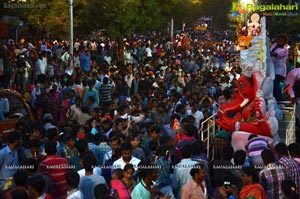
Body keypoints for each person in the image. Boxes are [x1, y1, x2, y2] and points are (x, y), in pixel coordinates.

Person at [270, 34, 289, 101]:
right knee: (272, 84)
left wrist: (270, 53)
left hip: (280, 70)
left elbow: (277, 54)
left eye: (282, 41)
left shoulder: (285, 50)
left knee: (276, 84)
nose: (280, 42)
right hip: (272, 68)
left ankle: (279, 99)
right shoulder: (275, 45)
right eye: (279, 40)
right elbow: (270, 50)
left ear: (284, 42)